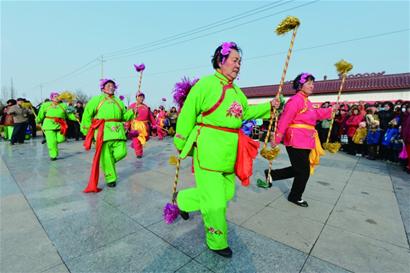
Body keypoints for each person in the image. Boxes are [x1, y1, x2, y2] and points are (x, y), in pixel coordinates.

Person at [174, 42, 278, 258]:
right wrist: (181, 140)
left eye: (240, 61)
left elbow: (246, 112)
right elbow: (188, 113)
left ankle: (182, 200)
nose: (238, 65)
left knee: (227, 193)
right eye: (234, 60)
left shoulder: (238, 92)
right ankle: (216, 240)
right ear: (221, 61)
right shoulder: (205, 85)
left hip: (230, 150)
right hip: (209, 148)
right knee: (215, 203)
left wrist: (270, 106)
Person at [266, 73, 335, 207]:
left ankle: (271, 175)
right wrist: (277, 136)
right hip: (296, 139)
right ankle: (295, 196)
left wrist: (330, 111)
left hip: (307, 139)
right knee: (303, 170)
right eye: (308, 83)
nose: (312, 86)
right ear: (300, 85)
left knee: (300, 168)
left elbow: (315, 114)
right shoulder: (295, 100)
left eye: (312, 83)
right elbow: (285, 119)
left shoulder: (307, 101)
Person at [81, 79, 134, 191]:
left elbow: (124, 116)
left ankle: (106, 164)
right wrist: (87, 130)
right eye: (108, 85)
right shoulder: (96, 100)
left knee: (122, 152)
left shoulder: (119, 102)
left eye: (113, 85)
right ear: (103, 88)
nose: (111, 87)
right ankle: (111, 179)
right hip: (102, 132)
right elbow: (87, 114)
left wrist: (132, 112)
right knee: (106, 156)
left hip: (118, 131)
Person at [36, 92, 75, 160]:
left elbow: (69, 114)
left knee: (61, 139)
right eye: (54, 97)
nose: (56, 98)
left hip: (61, 125)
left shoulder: (64, 105)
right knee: (52, 142)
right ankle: (53, 155)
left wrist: (75, 118)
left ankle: (49, 141)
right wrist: (38, 120)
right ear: (51, 98)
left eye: (58, 96)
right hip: (49, 125)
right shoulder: (46, 105)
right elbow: (41, 114)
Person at [127, 92, 156, 158]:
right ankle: (138, 154)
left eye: (142, 97)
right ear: (136, 97)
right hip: (135, 126)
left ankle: (135, 146)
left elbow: (151, 117)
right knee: (136, 139)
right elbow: (128, 117)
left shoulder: (146, 107)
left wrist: (154, 124)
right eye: (140, 97)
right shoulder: (132, 106)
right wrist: (127, 125)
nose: (141, 98)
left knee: (143, 139)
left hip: (144, 126)